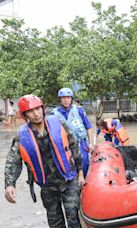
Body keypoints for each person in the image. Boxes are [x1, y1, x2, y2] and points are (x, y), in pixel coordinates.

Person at [4, 94, 84, 228]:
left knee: (74, 220)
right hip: (47, 187)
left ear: (42, 108)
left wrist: (80, 173)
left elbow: (74, 146)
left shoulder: (58, 123)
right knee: (55, 223)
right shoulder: (22, 136)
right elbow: (13, 161)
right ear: (25, 115)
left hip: (69, 181)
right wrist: (9, 184)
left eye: (38, 109)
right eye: (31, 111)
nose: (36, 114)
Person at [52, 88, 93, 177]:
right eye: (63, 98)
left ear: (71, 99)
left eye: (68, 97)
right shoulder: (54, 114)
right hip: (65, 145)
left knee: (84, 164)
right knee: (68, 167)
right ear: (60, 99)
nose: (66, 100)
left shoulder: (79, 110)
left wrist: (91, 143)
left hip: (81, 143)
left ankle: (84, 185)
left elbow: (89, 127)